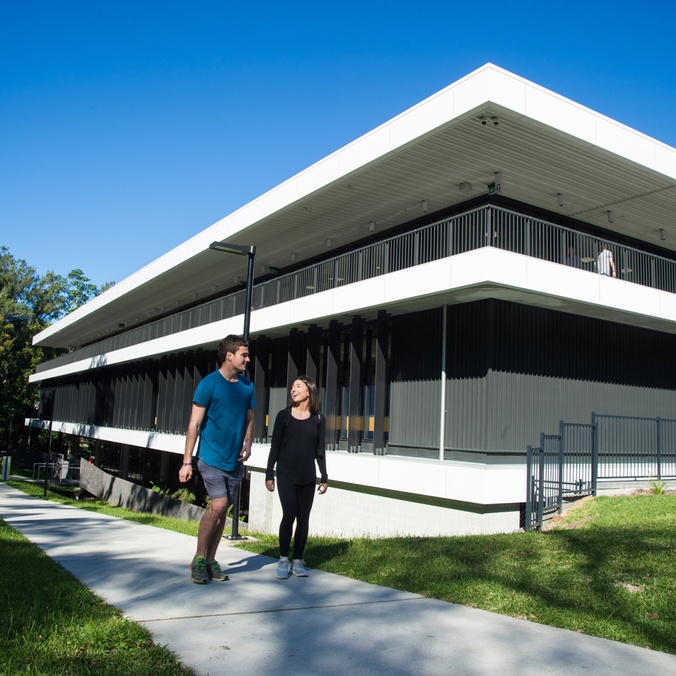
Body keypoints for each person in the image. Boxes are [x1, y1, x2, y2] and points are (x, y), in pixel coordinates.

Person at [179, 334, 255, 584]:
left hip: (234, 460)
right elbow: (195, 423)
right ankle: (199, 558)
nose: (248, 358)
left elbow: (249, 418)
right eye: (244, 354)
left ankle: (210, 560)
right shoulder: (208, 384)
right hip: (210, 456)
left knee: (223, 512)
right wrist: (187, 461)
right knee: (219, 505)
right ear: (229, 355)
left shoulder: (247, 386)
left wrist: (248, 442)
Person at [265, 376, 328, 579]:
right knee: (289, 514)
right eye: (292, 386)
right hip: (285, 474)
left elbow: (320, 451)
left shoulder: (319, 419)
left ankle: (297, 561)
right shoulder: (283, 416)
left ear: (309, 391)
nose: (293, 389)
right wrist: (269, 473)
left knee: (303, 519)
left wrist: (324, 476)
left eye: (298, 386)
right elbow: (275, 447)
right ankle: (283, 559)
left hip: (308, 476)